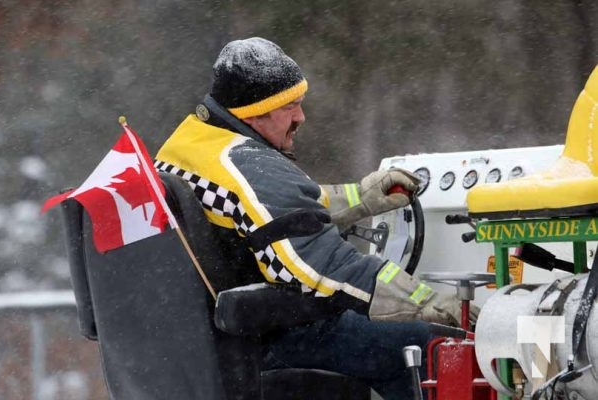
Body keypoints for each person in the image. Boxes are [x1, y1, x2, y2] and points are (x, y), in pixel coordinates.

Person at [155, 37, 471, 399]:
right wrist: (430, 305)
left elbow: (274, 213)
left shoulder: (189, 144)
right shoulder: (250, 167)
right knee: (434, 347)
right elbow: (318, 269)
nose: (300, 117)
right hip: (275, 338)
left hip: (217, 342)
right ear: (256, 110)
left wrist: (361, 199)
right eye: (290, 106)